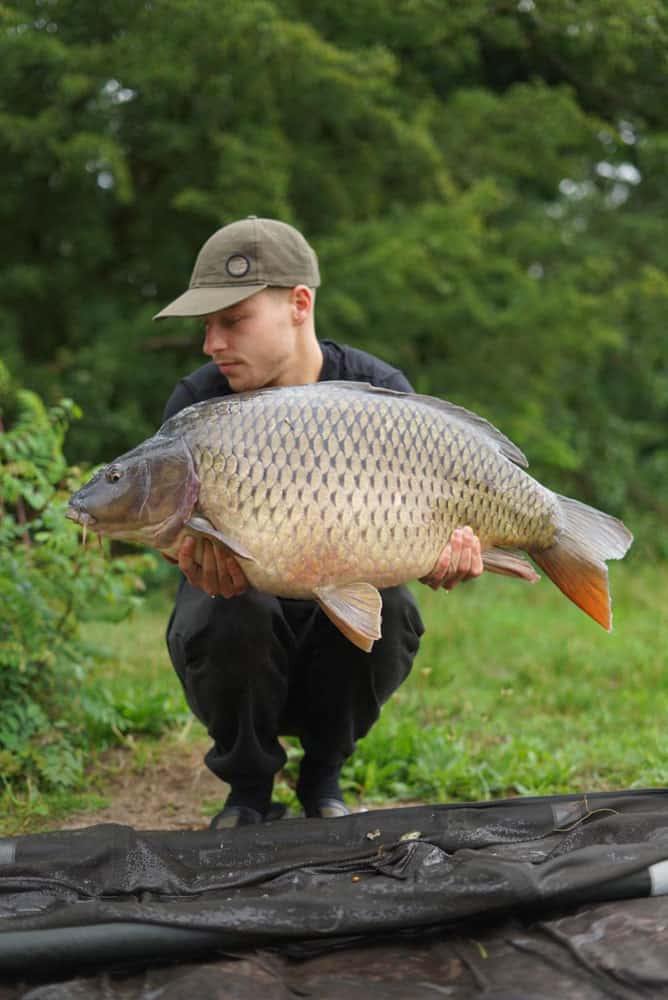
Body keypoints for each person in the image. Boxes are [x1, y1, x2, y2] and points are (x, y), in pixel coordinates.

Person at [154, 217, 483, 828]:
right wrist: (185, 556)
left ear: (299, 304)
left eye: (232, 321)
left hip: (340, 622)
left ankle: (322, 775)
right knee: (231, 607)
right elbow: (168, 525)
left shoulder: (378, 391)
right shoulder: (198, 405)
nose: (212, 345)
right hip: (248, 618)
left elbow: (429, 519)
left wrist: (448, 551)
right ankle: (249, 788)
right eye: (207, 327)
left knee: (398, 610)